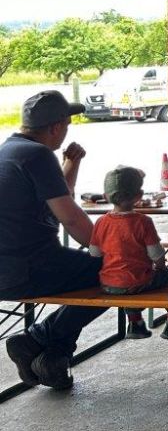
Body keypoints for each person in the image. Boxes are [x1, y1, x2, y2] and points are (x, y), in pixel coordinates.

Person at [2, 91, 105, 391]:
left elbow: (55, 201)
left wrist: (71, 164)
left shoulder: (11, 149)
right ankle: (40, 340)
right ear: (57, 127)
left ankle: (53, 357)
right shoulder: (37, 155)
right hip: (24, 269)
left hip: (10, 266)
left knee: (98, 269)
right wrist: (110, 249)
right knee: (116, 274)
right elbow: (71, 220)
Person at [88, 166, 168, 340]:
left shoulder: (101, 222)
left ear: (105, 197)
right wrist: (161, 268)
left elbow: (94, 253)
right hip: (137, 282)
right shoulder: (143, 222)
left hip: (108, 284)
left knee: (129, 280)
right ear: (139, 196)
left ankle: (136, 323)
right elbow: (157, 255)